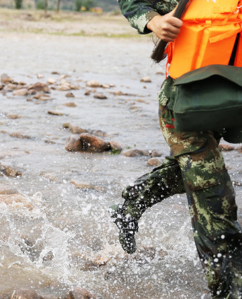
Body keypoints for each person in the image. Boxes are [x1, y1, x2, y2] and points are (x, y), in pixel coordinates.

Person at [111, 0, 242, 297]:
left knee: (196, 173)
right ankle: (227, 288)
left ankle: (133, 201)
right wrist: (153, 21)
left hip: (232, 98)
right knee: (215, 198)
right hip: (186, 104)